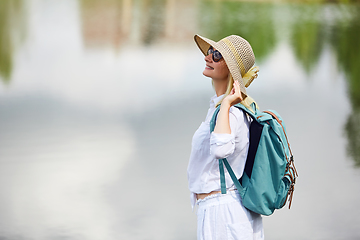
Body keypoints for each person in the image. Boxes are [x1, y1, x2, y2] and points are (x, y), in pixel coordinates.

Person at [187, 34, 264, 240]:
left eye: (217, 55)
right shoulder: (219, 107)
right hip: (219, 210)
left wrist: (228, 104)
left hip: (223, 214)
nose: (208, 57)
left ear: (231, 68)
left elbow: (220, 149)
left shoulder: (231, 111)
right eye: (210, 51)